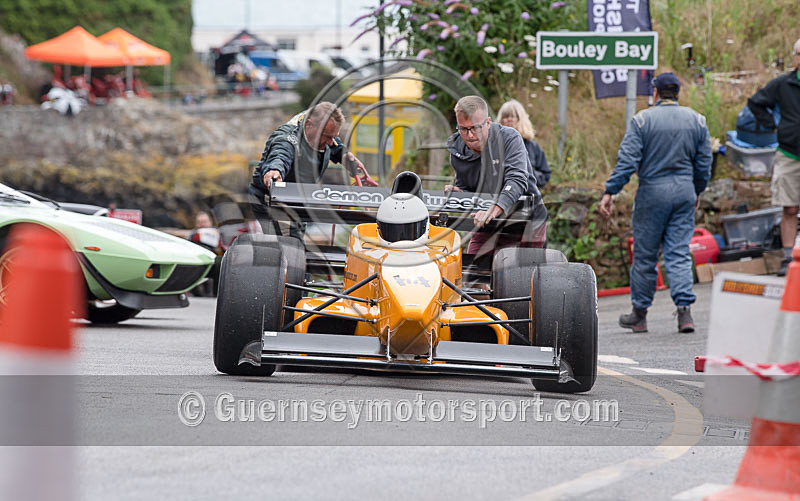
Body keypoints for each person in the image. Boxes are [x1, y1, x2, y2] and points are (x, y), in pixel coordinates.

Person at [599, 72, 712, 333]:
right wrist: (696, 190)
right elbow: (704, 163)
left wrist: (610, 191)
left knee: (645, 255)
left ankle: (640, 314)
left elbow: (627, 162)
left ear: (656, 93)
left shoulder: (642, 121)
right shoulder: (697, 120)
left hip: (652, 193)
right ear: (678, 93)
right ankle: (685, 313)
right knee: (679, 252)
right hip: (684, 191)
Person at [445, 95, 548, 257]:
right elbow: (469, 188)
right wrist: (460, 193)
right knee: (473, 275)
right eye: (463, 129)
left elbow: (517, 179)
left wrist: (494, 208)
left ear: (488, 122)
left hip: (526, 219)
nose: (470, 136)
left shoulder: (509, 138)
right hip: (488, 222)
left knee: (519, 278)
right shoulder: (457, 149)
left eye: (475, 128)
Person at [248, 101, 366, 236]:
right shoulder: (287, 139)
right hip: (271, 200)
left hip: (297, 197)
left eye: (334, 137)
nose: (330, 142)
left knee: (297, 240)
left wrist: (344, 156)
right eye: (327, 136)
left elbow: (334, 146)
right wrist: (275, 170)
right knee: (289, 243)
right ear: (309, 124)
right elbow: (280, 154)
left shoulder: (320, 132)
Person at [747, 38, 800, 276]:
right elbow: (756, 103)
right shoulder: (782, 85)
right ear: (795, 58)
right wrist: (775, 126)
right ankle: (789, 259)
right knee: (789, 208)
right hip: (789, 153)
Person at [497, 99, 551, 188]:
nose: (510, 120)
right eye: (506, 117)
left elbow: (545, 175)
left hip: (527, 196)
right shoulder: (493, 146)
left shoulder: (533, 147)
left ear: (521, 119)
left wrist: (528, 174)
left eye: (514, 116)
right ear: (501, 120)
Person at [188, 211, 221, 297]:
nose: (202, 224)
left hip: (213, 259)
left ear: (210, 222)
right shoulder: (193, 234)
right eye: (199, 222)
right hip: (196, 259)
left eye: (204, 222)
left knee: (219, 263)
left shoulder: (217, 233)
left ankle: (216, 293)